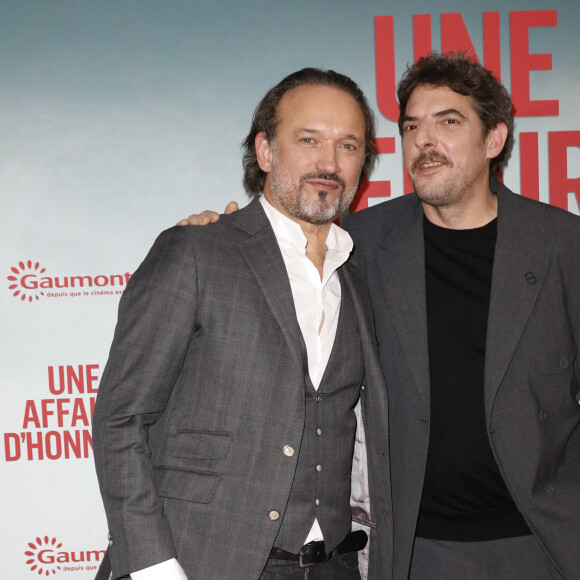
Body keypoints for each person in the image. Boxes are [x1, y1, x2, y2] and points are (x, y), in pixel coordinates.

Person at [188, 53, 580, 579]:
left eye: (448, 121)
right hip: (412, 551)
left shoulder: (561, 245)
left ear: (494, 140)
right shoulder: (360, 243)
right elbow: (269, 251)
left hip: (541, 544)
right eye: (412, 125)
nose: (424, 139)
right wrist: (215, 231)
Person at [92, 68, 392, 580]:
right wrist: (154, 568)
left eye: (348, 145)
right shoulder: (196, 251)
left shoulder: (357, 281)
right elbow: (121, 419)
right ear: (266, 151)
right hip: (200, 563)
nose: (329, 162)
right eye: (309, 140)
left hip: (333, 566)